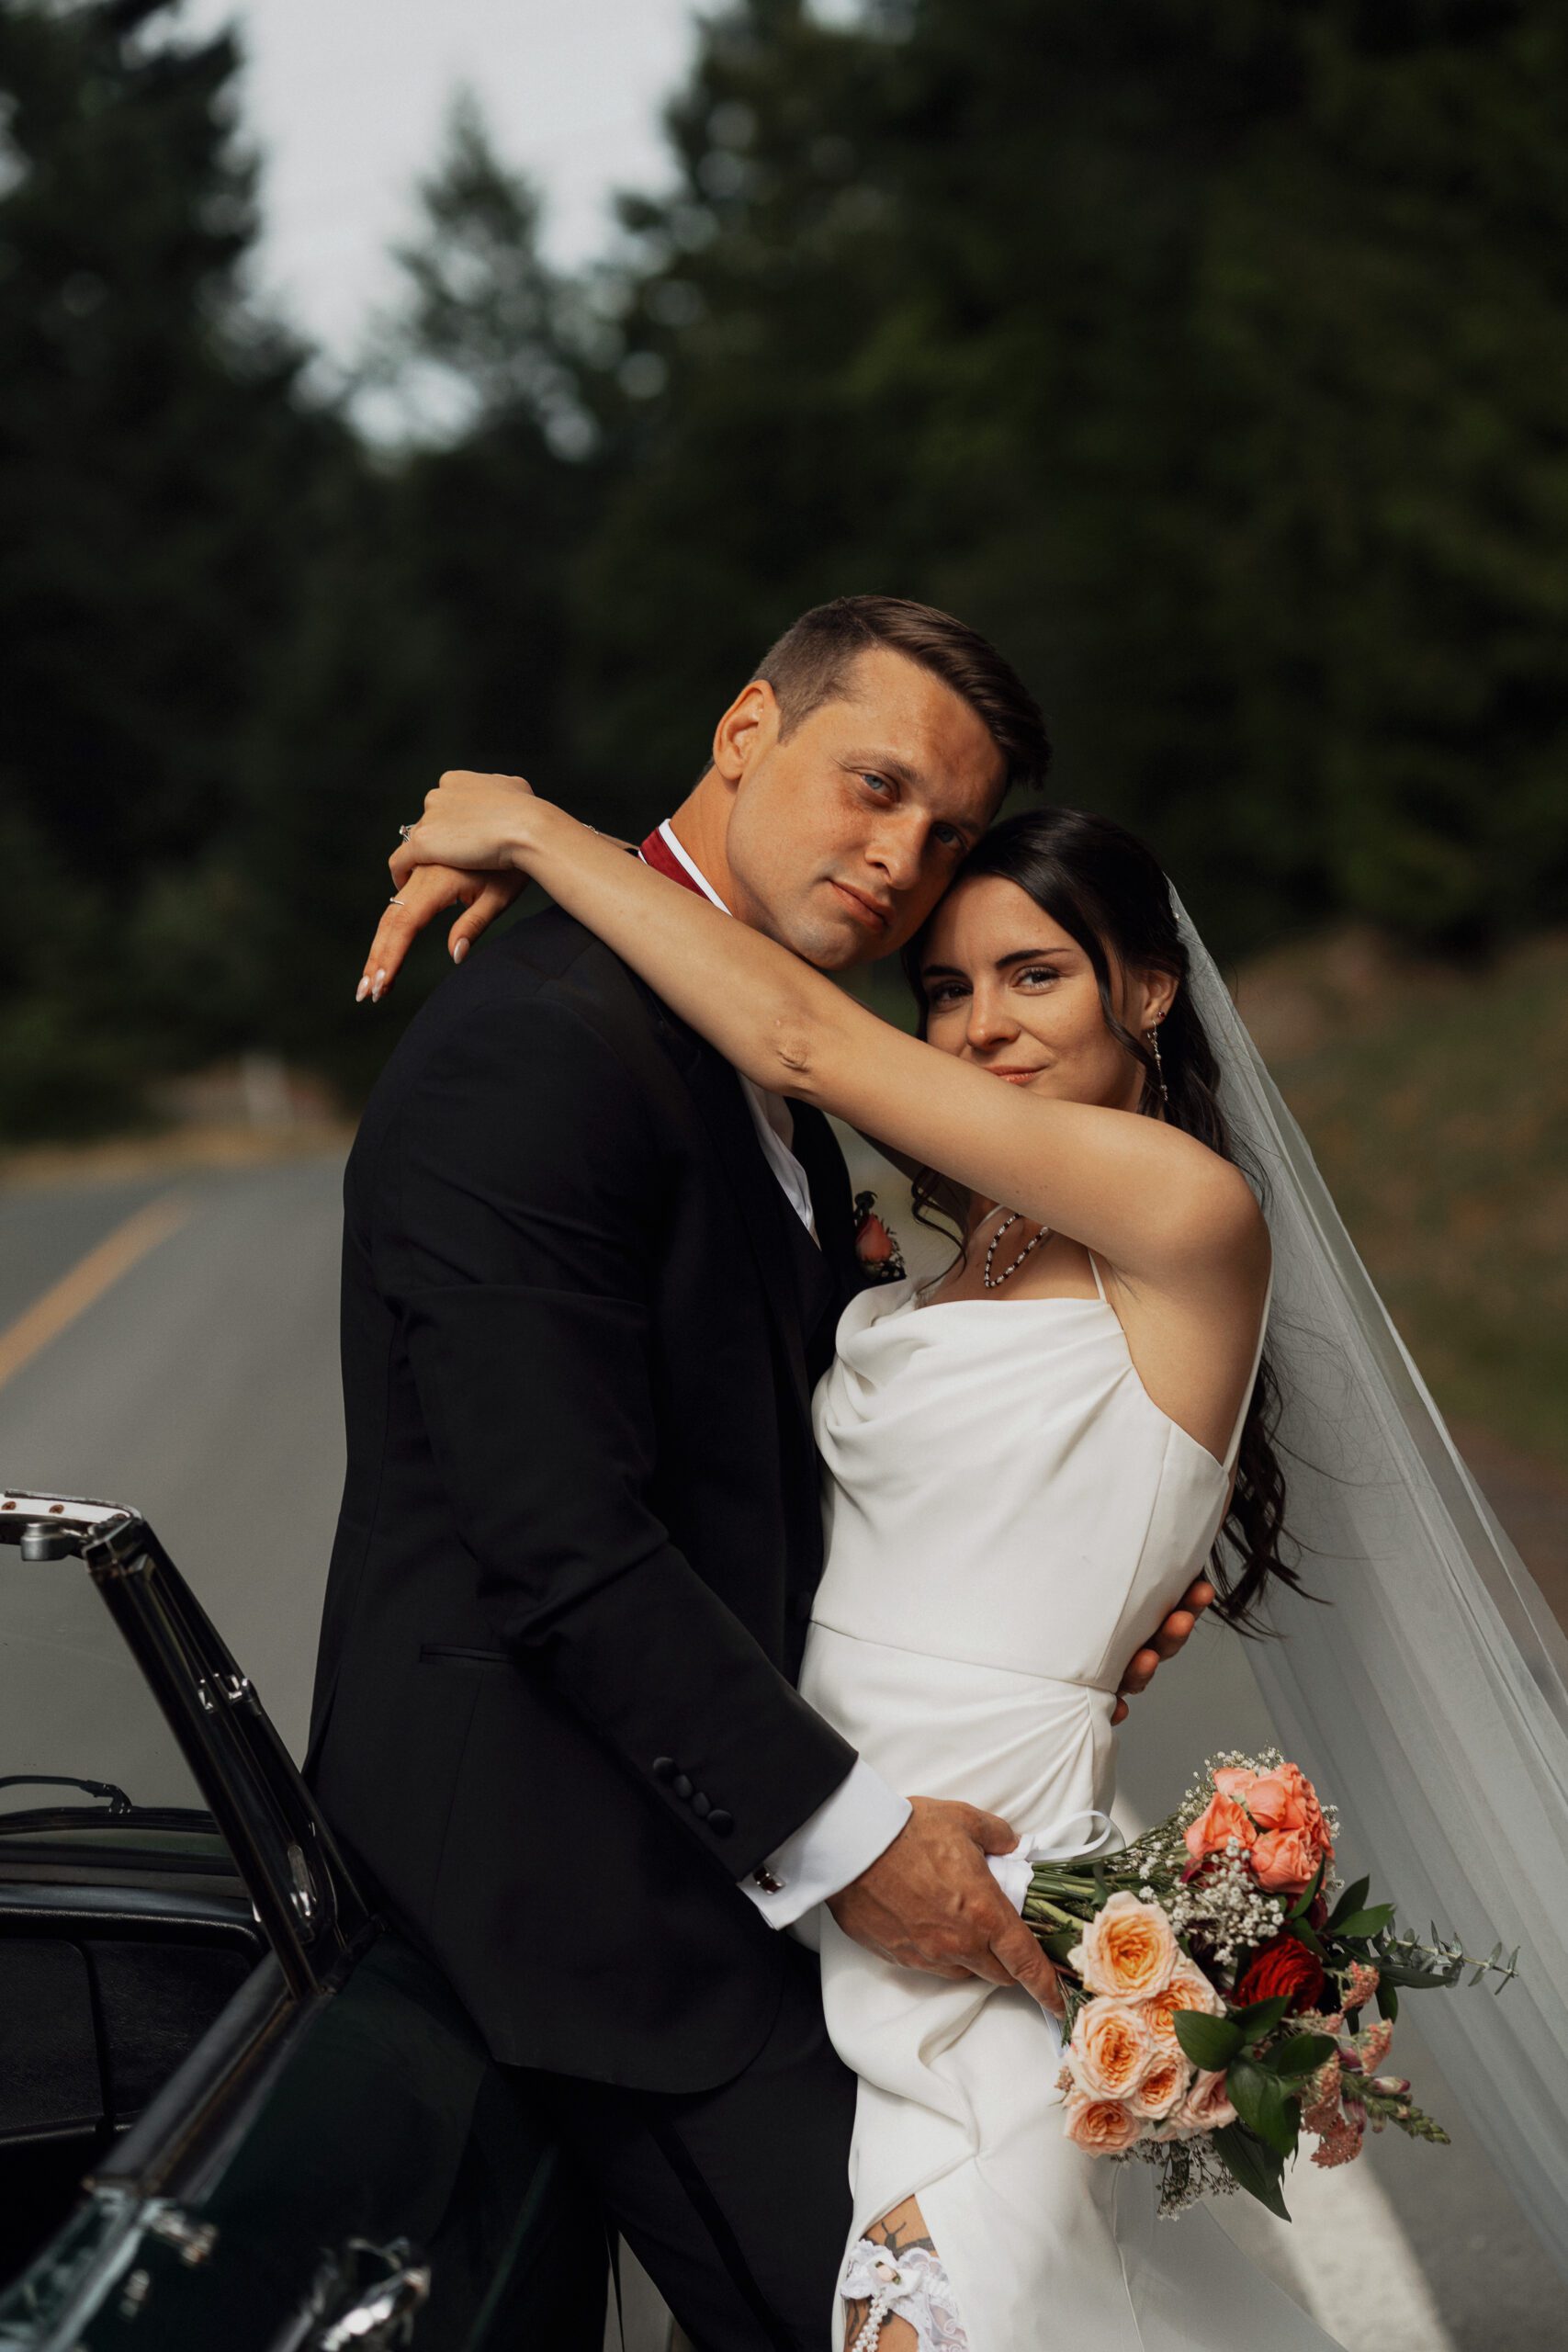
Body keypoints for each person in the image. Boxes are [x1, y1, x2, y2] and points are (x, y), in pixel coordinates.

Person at [368, 741, 1367, 2352]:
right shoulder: (956, 1249)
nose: (982, 1026)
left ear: (1153, 996)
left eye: (1036, 974)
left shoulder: (1186, 1209)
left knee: (950, 2298)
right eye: (949, 987)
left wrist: (538, 835)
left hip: (977, 1865)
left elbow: (799, 1040)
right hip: (800, 1869)